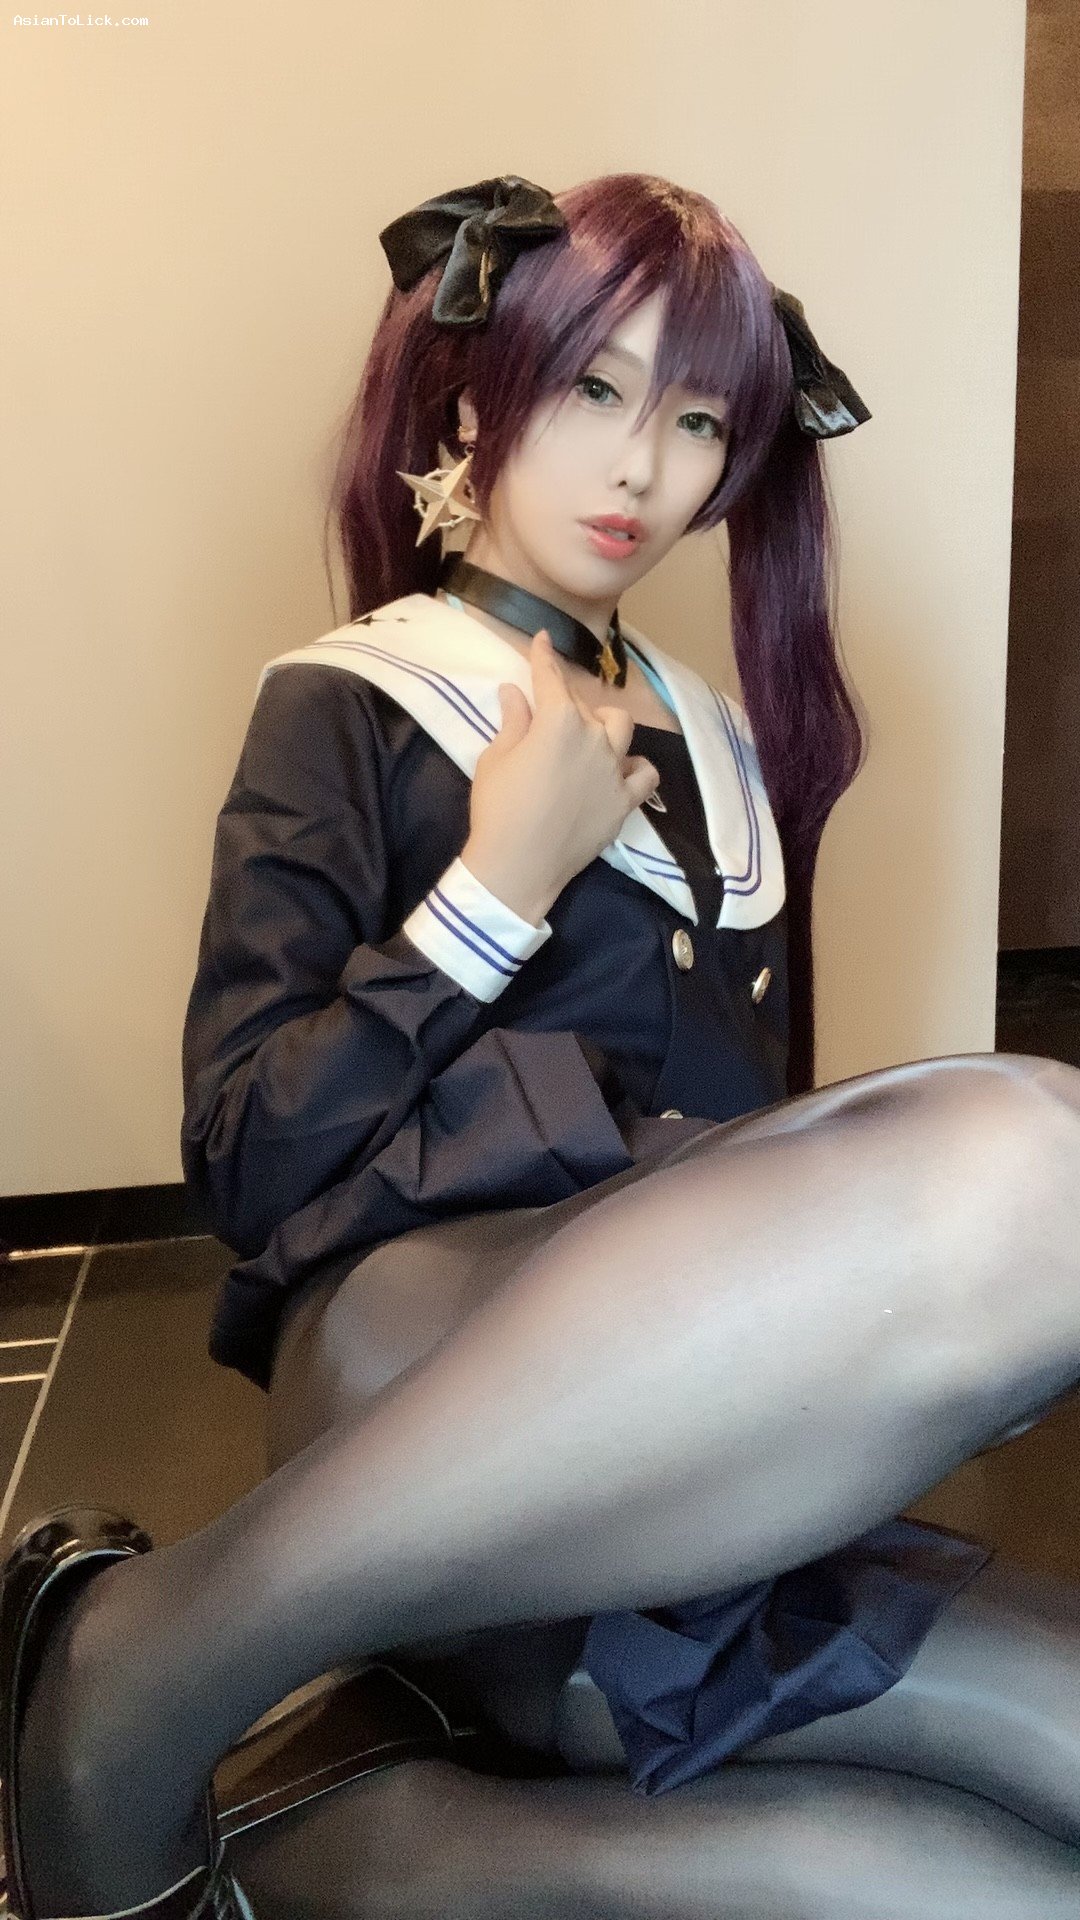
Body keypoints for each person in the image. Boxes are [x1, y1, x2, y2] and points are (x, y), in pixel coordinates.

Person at [4, 170, 1080, 1920]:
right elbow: (254, 1160)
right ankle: (149, 1666)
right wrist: (494, 891)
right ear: (473, 397)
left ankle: (354, 1853)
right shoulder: (353, 697)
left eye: (698, 418)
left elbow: (728, 1162)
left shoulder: (719, 741)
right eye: (593, 386)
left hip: (672, 1457)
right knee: (1039, 1173)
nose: (641, 467)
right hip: (421, 1387)